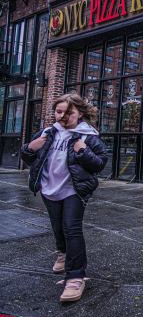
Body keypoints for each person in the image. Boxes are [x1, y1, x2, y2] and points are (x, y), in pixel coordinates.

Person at [20, 94, 107, 303]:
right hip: (49, 189)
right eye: (59, 112)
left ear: (80, 114)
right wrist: (31, 147)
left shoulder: (87, 136)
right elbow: (28, 156)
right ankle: (62, 253)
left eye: (69, 112)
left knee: (71, 228)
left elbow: (99, 164)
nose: (63, 116)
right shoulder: (48, 133)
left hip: (73, 190)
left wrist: (83, 151)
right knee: (57, 227)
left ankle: (76, 277)